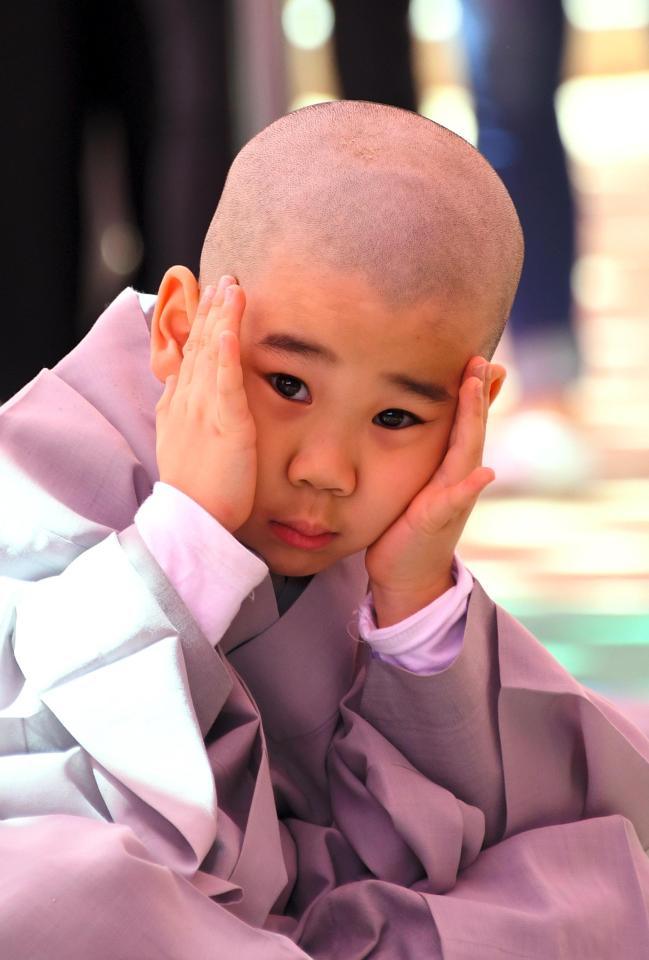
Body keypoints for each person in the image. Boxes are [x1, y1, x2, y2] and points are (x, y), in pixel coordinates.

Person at [1, 101, 648, 959]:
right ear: (179, 330)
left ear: (470, 409)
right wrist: (184, 539)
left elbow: (445, 840)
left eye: (393, 416)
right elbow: (50, 795)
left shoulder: (385, 549)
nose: (326, 469)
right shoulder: (50, 465)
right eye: (289, 386)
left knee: (595, 882)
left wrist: (416, 608)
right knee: (53, 891)